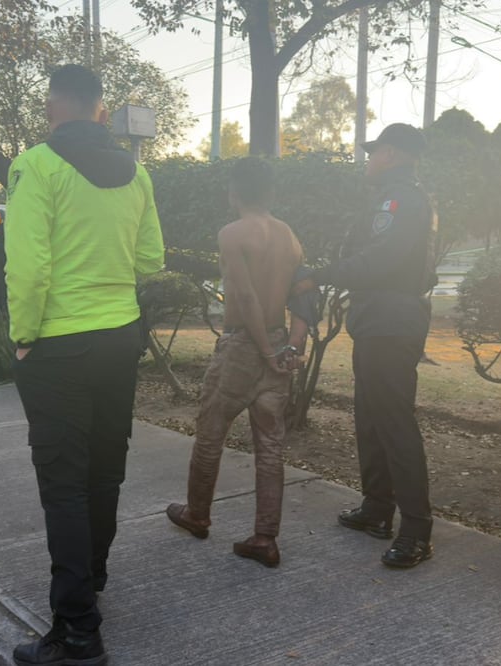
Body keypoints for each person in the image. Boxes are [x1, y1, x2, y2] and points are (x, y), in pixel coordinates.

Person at [5, 64, 164, 666]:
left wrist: (24, 336)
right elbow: (150, 256)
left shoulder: (36, 165)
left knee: (63, 484)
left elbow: (28, 264)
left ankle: (76, 632)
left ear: (53, 106)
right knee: (104, 470)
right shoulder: (138, 172)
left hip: (57, 344)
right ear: (102, 110)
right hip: (120, 338)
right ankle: (91, 578)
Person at [302, 123, 437, 569]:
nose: (369, 159)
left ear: (392, 154)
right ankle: (378, 508)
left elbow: (382, 259)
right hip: (378, 320)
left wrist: (321, 274)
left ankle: (416, 530)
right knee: (371, 418)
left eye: (374, 152)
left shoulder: (403, 201)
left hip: (392, 321)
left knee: (394, 423)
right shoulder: (394, 198)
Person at [165, 157, 308, 569]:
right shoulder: (290, 236)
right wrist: (290, 347)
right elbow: (305, 293)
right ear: (271, 193)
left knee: (211, 433)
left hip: (244, 347)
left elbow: (244, 299)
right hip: (279, 344)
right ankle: (265, 537)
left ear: (234, 192)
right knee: (270, 444)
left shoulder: (232, 233)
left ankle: (197, 514)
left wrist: (263, 351)